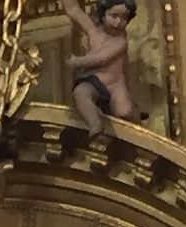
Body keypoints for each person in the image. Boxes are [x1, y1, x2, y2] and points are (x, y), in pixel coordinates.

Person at [60, 0, 139, 136]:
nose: (118, 22)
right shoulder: (94, 31)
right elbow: (74, 11)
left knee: (124, 112)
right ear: (103, 15)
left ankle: (135, 127)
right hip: (94, 80)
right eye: (114, 16)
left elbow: (100, 58)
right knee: (81, 93)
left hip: (114, 85)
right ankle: (95, 123)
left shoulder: (120, 42)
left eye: (124, 17)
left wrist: (77, 61)